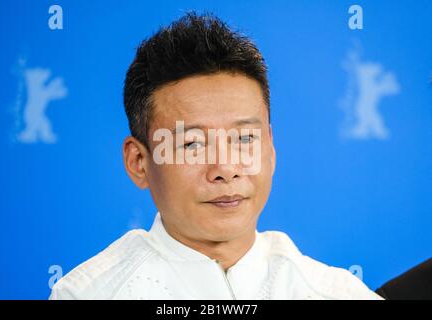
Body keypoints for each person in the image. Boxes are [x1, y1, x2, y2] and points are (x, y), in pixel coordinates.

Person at [49, 12, 382, 300]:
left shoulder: (338, 293)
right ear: (138, 162)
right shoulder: (88, 293)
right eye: (192, 144)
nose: (225, 169)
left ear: (270, 147)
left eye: (244, 138)